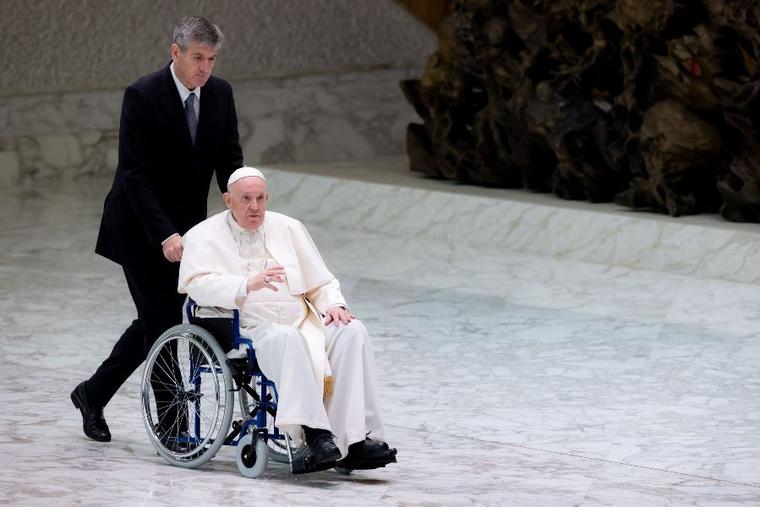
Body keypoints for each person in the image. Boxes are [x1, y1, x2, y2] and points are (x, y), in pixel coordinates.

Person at [70, 16, 244, 443]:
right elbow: (135, 175)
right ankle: (174, 427)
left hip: (190, 229)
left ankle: (92, 393)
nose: (205, 68)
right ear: (176, 53)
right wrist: (164, 233)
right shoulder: (143, 95)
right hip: (138, 226)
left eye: (212, 59)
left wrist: (244, 211)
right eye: (198, 58)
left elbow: (230, 161)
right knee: (164, 321)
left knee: (155, 321)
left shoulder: (220, 94)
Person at [178, 166, 397, 473]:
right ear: (228, 200)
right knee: (287, 338)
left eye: (260, 198)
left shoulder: (288, 227)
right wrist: (245, 285)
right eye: (246, 199)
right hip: (250, 328)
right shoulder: (203, 235)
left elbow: (320, 281)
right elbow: (196, 285)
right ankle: (314, 435)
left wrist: (333, 304)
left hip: (302, 319)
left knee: (352, 330)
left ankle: (356, 441)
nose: (255, 207)